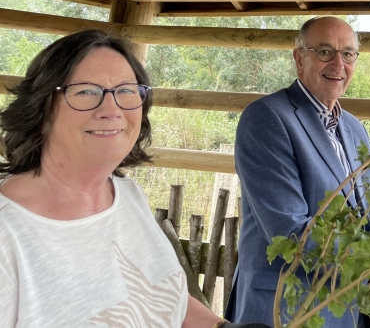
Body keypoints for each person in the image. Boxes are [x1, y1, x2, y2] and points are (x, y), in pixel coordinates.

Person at [0, 30, 265, 328]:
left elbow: (163, 298)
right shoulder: (8, 233)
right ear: (41, 108)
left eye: (126, 90)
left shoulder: (126, 195)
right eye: (86, 91)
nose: (111, 109)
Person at [227, 17, 370, 327]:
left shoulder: (354, 128)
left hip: (350, 306)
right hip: (289, 307)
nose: (338, 63)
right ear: (300, 59)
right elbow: (289, 232)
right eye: (325, 51)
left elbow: (368, 223)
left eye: (349, 53)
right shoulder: (267, 118)